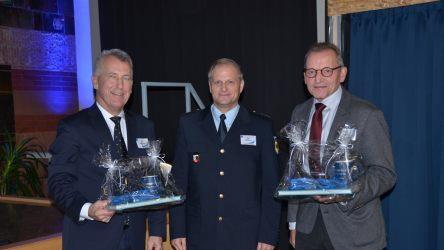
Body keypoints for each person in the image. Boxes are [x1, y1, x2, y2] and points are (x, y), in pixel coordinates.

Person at [47, 49, 165, 250]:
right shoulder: (73, 127)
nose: (120, 85)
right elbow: (58, 182)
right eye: (113, 76)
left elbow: (153, 181)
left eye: (126, 78)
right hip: (90, 239)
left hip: (136, 239)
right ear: (95, 82)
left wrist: (156, 230)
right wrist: (88, 209)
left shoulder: (145, 126)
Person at [287, 42, 397, 250]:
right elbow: (295, 172)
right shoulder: (298, 113)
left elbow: (385, 173)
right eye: (311, 72)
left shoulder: (366, 114)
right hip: (307, 230)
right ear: (304, 77)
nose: (318, 78)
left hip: (354, 232)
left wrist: (346, 191)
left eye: (326, 71)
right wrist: (293, 224)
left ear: (342, 74)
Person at [169, 58, 281, 250]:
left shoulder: (261, 127)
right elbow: (179, 181)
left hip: (247, 236)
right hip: (200, 234)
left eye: (230, 81)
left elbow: (271, 186)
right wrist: (178, 229)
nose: (224, 88)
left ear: (241, 85)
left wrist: (268, 235)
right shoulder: (189, 125)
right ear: (210, 86)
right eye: (218, 82)